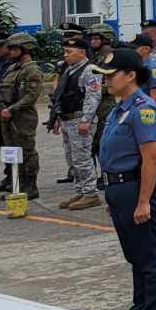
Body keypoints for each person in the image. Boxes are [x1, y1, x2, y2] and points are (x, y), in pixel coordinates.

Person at [93, 47, 156, 310]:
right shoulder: (119, 109)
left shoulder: (144, 109)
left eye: (112, 75)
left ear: (131, 75)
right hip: (119, 189)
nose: (107, 80)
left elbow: (151, 158)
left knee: (149, 255)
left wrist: (143, 201)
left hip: (138, 187)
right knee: (135, 256)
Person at [46, 34, 104, 210]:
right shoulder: (69, 69)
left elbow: (93, 96)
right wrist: (55, 118)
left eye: (69, 52)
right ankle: (80, 190)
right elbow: (60, 96)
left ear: (81, 52)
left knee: (82, 157)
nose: (65, 55)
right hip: (67, 118)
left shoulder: (90, 69)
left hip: (80, 118)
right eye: (64, 52)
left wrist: (86, 119)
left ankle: (91, 193)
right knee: (72, 158)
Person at [0, 32, 47, 200]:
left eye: (14, 49)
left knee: (27, 151)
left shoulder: (32, 70)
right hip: (8, 116)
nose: (11, 52)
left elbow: (31, 96)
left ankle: (31, 186)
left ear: (25, 49)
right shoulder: (14, 68)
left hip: (22, 117)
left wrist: (12, 109)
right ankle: (17, 184)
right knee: (13, 151)